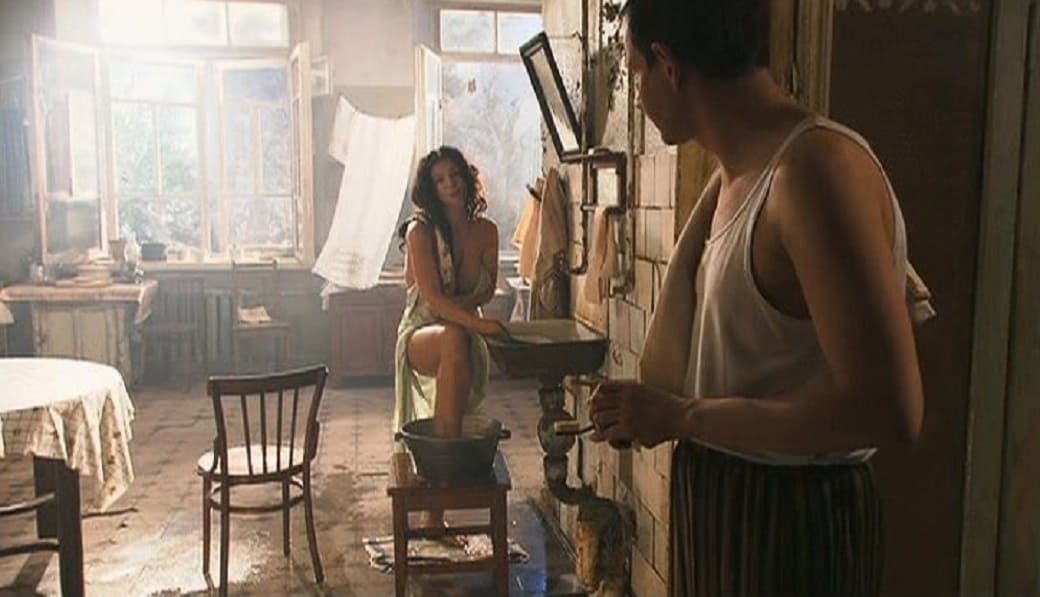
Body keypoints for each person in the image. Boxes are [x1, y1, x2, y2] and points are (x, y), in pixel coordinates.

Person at [588, 1, 925, 595]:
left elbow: (889, 408)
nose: (638, 93)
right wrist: (652, 408)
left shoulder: (813, 173)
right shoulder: (738, 176)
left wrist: (681, 417)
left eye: (636, 70)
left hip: (793, 523)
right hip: (728, 505)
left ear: (669, 65)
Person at [394, 146, 505, 443]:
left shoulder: (487, 231)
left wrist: (472, 321)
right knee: (454, 337)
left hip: (465, 328)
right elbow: (433, 300)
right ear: (431, 190)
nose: (451, 184)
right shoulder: (420, 231)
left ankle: (450, 445)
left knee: (458, 336)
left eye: (455, 175)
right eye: (440, 180)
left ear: (467, 178)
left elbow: (486, 291)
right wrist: (480, 325)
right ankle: (447, 449)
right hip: (422, 330)